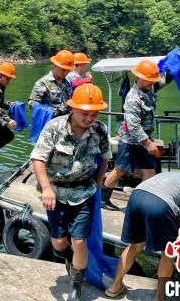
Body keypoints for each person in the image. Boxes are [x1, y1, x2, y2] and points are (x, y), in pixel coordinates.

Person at [31, 84, 111, 301]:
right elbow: (37, 159)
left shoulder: (100, 130)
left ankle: (76, 286)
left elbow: (105, 157)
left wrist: (97, 181)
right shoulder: (54, 128)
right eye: (85, 113)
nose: (90, 118)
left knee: (80, 241)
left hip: (84, 193)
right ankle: (71, 260)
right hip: (55, 193)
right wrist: (46, 188)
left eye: (94, 113)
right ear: (73, 108)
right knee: (59, 243)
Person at [105, 171, 180, 301]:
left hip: (137, 196)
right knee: (168, 252)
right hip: (161, 205)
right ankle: (160, 297)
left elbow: (175, 215)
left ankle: (114, 287)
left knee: (136, 245)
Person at [102, 59, 170, 211]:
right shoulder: (132, 98)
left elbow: (165, 80)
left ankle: (142, 202)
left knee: (150, 171)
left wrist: (176, 66)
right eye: (149, 81)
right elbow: (133, 126)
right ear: (139, 78)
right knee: (120, 170)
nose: (152, 84)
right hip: (131, 142)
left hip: (145, 141)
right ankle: (103, 198)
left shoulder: (150, 88)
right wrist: (148, 144)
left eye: (153, 81)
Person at [28, 49, 74, 117]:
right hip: (50, 122)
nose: (66, 73)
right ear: (55, 65)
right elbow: (31, 103)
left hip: (65, 121)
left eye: (68, 70)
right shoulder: (43, 83)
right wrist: (50, 111)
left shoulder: (66, 83)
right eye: (63, 70)